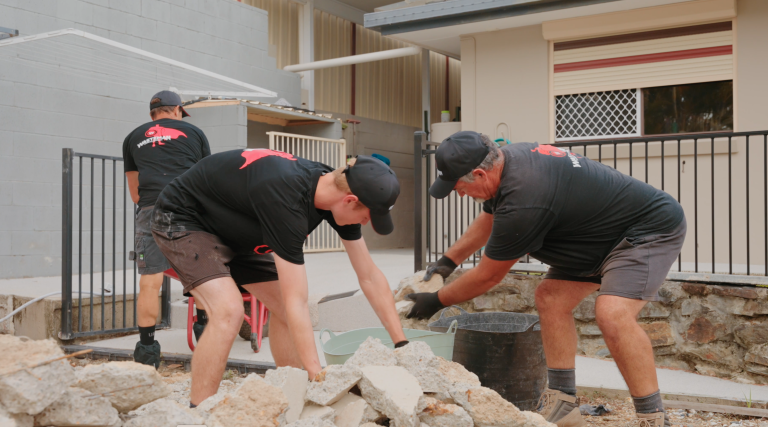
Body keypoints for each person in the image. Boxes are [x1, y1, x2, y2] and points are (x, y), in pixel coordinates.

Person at [407, 131, 686, 427]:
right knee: (551, 298)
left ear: (478, 172)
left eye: (459, 186)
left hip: (646, 230)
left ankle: (653, 419)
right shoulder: (507, 163)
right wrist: (446, 263)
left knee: (613, 314)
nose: (460, 194)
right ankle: (562, 404)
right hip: (593, 238)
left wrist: (436, 300)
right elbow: (489, 219)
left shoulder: (524, 198)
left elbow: (488, 276)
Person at [151, 149, 408, 406]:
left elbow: (370, 276)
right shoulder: (286, 199)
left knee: (285, 308)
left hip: (240, 226)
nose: (364, 223)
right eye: (366, 217)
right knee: (229, 310)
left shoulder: (334, 186)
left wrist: (402, 344)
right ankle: (200, 412)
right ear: (350, 200)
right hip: (185, 218)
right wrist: (319, 377)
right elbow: (297, 297)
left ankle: (294, 398)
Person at [123, 90, 211, 368]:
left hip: (150, 210)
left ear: (152, 115)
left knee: (150, 282)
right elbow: (205, 180)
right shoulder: (194, 133)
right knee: (199, 278)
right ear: (176, 110)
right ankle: (207, 345)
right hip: (187, 210)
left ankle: (147, 354)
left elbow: (135, 194)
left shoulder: (132, 138)